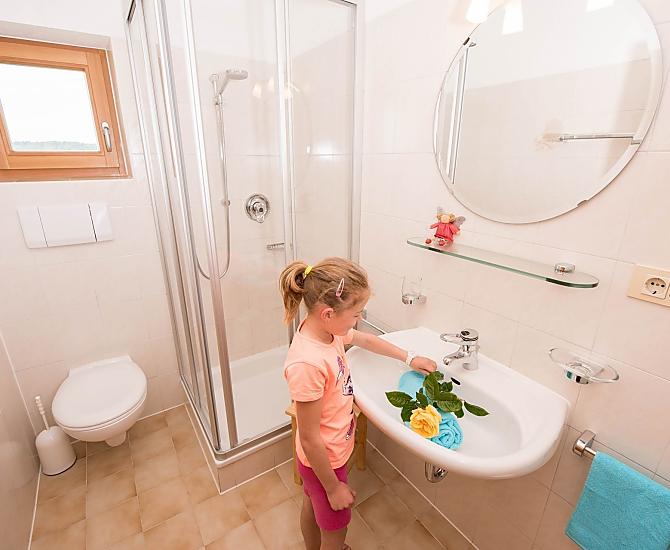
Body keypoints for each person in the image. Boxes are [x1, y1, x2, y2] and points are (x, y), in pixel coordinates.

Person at [279, 257, 437, 550]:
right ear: (328, 314)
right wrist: (333, 487)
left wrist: (409, 358)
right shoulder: (307, 364)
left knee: (312, 505)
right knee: (335, 528)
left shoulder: (325, 331)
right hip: (324, 463)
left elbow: (366, 340)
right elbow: (310, 438)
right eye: (355, 314)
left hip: (324, 458)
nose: (358, 319)